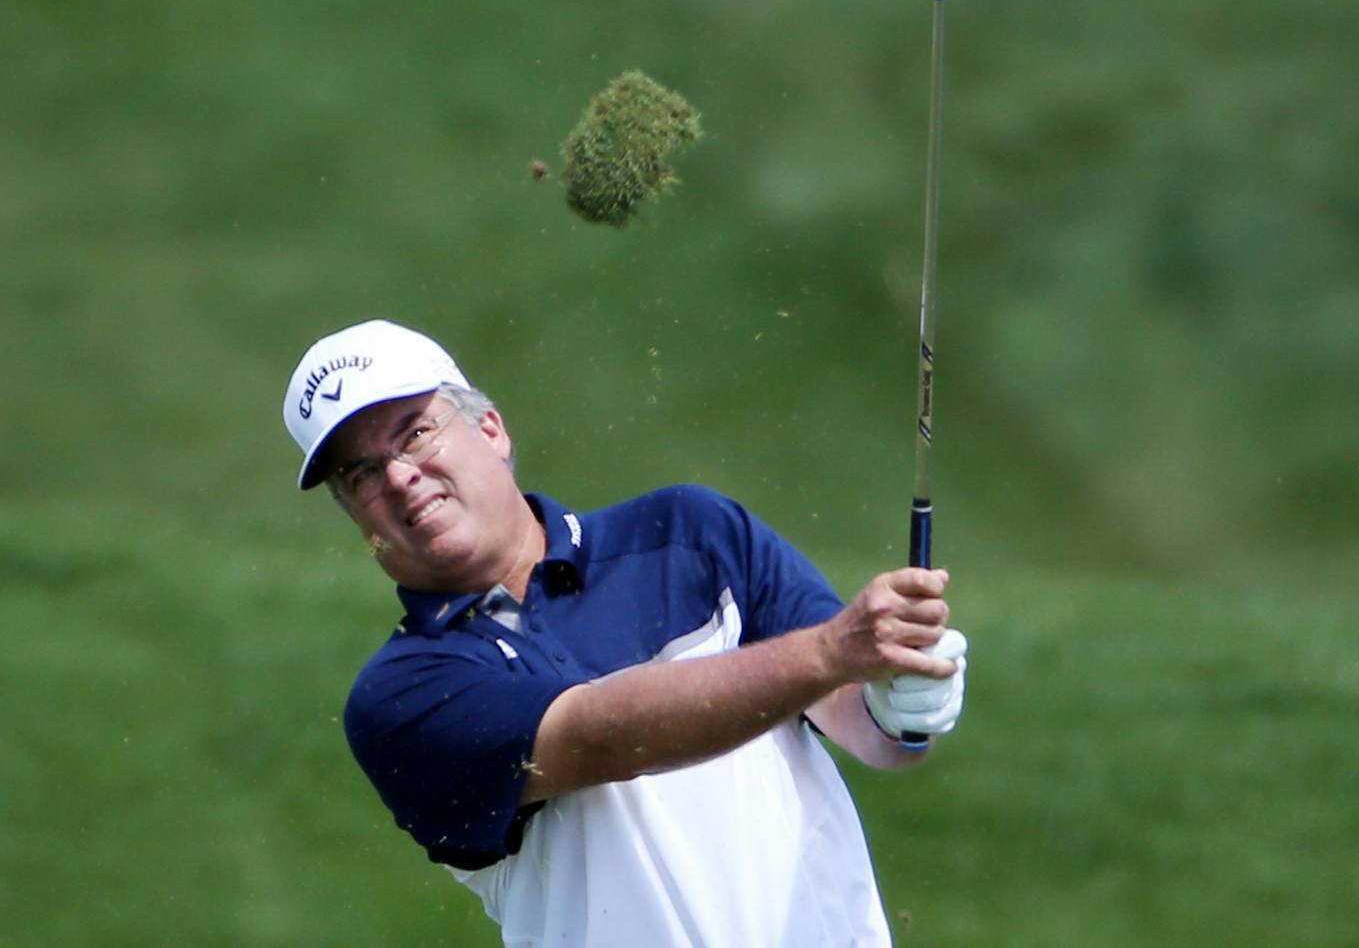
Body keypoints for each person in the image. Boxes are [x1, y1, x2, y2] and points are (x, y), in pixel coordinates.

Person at [282, 318, 969, 948]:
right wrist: (831, 651)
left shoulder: (690, 534)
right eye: (361, 473)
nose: (400, 476)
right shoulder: (402, 695)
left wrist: (897, 699)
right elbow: (601, 736)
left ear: (490, 429)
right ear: (353, 513)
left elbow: (863, 724)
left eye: (414, 432)